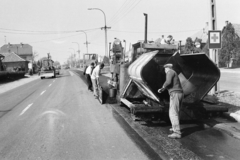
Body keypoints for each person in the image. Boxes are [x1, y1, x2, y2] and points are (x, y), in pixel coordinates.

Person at [158, 63, 183, 139]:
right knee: (175, 112)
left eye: (165, 69)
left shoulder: (170, 72)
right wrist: (163, 89)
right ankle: (174, 127)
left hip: (175, 94)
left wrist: (162, 88)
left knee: (173, 113)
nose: (164, 71)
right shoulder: (173, 72)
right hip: (179, 93)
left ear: (166, 68)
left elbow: (168, 82)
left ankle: (177, 132)